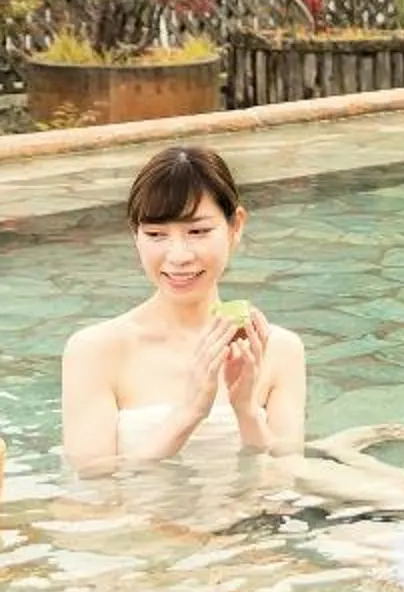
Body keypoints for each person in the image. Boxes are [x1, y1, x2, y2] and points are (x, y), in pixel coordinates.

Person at [60, 145, 306, 472]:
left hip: (251, 520)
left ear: (236, 227)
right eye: (156, 234)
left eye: (198, 231)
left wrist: (245, 410)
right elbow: (91, 494)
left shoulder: (277, 349)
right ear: (135, 235)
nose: (178, 256)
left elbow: (285, 481)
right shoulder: (95, 351)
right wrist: (188, 414)